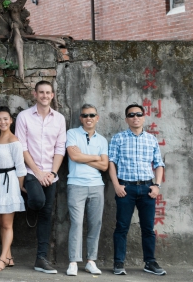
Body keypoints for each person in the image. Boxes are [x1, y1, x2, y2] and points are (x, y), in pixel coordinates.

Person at [108, 103, 166, 276]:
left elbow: (159, 164)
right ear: (126, 119)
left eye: (138, 114)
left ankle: (150, 262)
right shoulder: (118, 138)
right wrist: (116, 185)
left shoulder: (151, 139)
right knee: (122, 227)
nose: (135, 117)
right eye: (131, 115)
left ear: (143, 117)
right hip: (126, 189)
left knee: (148, 228)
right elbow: (112, 163)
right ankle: (118, 262)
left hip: (148, 189)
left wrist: (157, 185)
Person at [15, 80, 66, 274]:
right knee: (37, 200)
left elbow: (60, 148)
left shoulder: (59, 119)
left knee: (47, 214)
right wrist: (37, 172)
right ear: (35, 94)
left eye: (48, 93)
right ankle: (31, 206)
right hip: (30, 171)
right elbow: (21, 147)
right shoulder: (24, 117)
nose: (45, 96)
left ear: (52, 95)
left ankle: (41, 258)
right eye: (41, 92)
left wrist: (52, 173)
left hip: (50, 174)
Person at [65, 103, 109, 276]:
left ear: (97, 118)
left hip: (97, 185)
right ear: (80, 118)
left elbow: (105, 166)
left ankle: (91, 261)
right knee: (76, 223)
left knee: (95, 224)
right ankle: (73, 262)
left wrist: (83, 158)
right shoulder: (72, 134)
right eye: (85, 115)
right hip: (76, 184)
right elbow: (74, 156)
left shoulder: (102, 140)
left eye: (92, 115)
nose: (88, 118)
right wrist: (96, 157)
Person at [0, 106, 26, 272]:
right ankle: (9, 257)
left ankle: (2, 259)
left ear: (11, 120)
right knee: (1, 223)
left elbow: (20, 168)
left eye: (5, 119)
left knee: (7, 224)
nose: (2, 122)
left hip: (8, 183)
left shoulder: (14, 141)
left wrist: (19, 187)